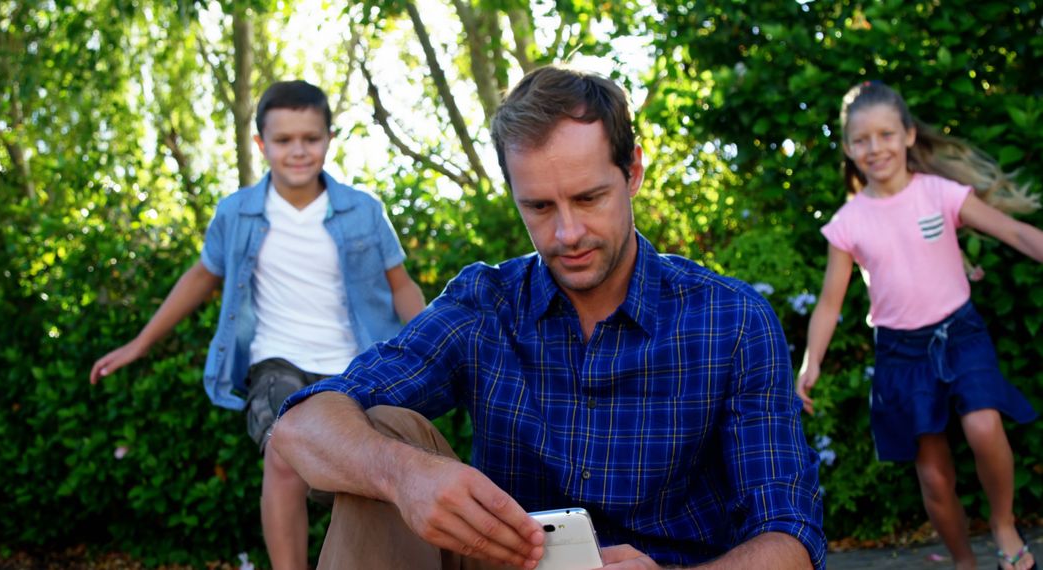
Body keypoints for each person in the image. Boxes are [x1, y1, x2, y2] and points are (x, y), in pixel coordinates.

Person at [271, 65, 825, 569]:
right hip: (510, 562)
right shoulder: (485, 304)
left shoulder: (731, 320)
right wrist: (404, 475)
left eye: (588, 198)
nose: (567, 234)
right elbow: (299, 425)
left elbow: (792, 536)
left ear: (631, 172)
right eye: (538, 207)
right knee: (389, 432)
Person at [89, 80, 426, 570]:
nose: (298, 151)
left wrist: (428, 346)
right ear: (261, 144)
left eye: (310, 138)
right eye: (284, 140)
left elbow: (402, 286)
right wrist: (140, 343)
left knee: (369, 475)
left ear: (329, 138)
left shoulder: (363, 211)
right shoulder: (238, 213)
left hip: (356, 368)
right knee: (283, 449)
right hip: (277, 363)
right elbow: (202, 276)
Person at [795, 80, 1042, 570]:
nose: (875, 147)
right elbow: (828, 303)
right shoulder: (848, 223)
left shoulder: (939, 192)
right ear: (848, 148)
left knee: (984, 422)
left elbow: (1013, 230)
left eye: (886, 134)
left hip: (959, 333)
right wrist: (811, 362)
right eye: (861, 139)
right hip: (901, 352)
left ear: (908, 135)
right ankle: (964, 561)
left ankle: (1003, 524)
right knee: (933, 476)